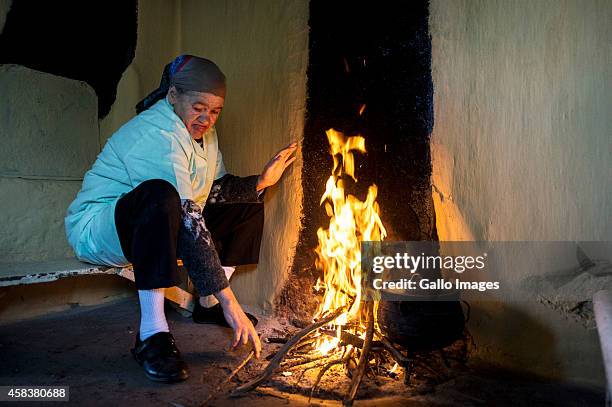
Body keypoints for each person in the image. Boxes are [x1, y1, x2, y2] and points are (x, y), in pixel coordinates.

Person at [65, 55, 297, 383]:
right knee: (160, 195)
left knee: (245, 200)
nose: (206, 118)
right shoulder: (156, 131)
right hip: (100, 227)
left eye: (215, 111)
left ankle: (206, 304)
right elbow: (185, 213)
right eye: (198, 106)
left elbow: (215, 189)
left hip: (160, 221)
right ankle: (152, 334)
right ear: (173, 95)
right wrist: (229, 301)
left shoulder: (204, 134)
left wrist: (260, 182)